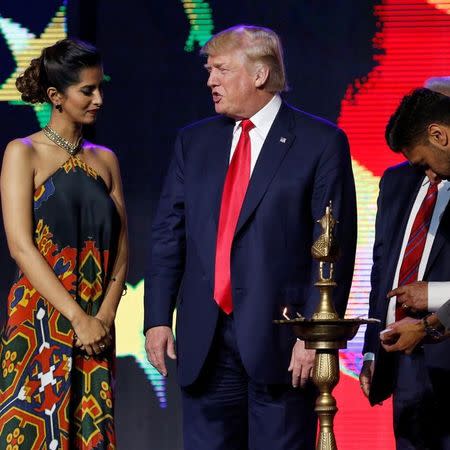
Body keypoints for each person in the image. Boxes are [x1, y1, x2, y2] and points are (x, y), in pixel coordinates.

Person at [144, 25, 356, 450]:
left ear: (260, 75)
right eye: (209, 71)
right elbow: (170, 233)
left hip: (282, 343)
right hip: (205, 342)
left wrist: (314, 335)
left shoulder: (320, 142)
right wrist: (157, 318)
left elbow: (333, 247)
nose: (210, 81)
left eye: (221, 69)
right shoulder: (194, 141)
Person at [0, 39, 128, 449]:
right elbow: (21, 246)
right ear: (56, 96)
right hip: (41, 318)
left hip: (97, 324)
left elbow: (123, 248)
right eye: (87, 91)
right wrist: (77, 318)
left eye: (100, 88)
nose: (98, 99)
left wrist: (104, 316)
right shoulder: (23, 153)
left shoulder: (105, 159)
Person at [360, 88, 450, 449]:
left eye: (425, 163)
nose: (427, 175)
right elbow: (382, 269)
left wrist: (435, 297)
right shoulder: (398, 182)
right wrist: (372, 351)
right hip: (408, 360)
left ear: (439, 134)